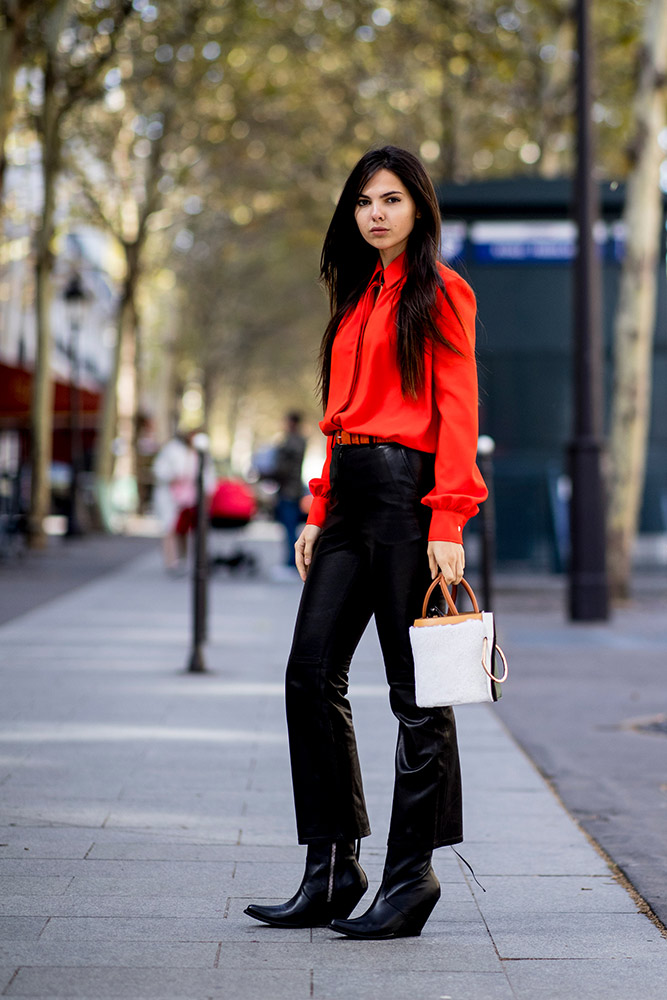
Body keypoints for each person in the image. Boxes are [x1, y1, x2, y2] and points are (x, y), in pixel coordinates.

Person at [244, 146, 487, 940]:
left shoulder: (442, 294)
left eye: (390, 199)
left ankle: (410, 878)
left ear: (417, 208)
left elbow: (456, 409)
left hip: (408, 501)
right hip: (346, 500)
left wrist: (448, 520)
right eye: (362, 202)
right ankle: (331, 866)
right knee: (308, 675)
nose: (375, 213)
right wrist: (317, 506)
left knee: (417, 697)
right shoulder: (353, 298)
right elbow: (340, 413)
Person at [152, 428, 214, 571]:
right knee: (170, 528)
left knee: (186, 530)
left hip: (191, 498)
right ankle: (171, 561)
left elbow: (209, 476)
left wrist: (208, 495)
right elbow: (160, 470)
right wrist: (174, 477)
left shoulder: (201, 454)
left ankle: (185, 560)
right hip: (170, 495)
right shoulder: (172, 449)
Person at [272, 411, 306, 575]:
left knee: (290, 528)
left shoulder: (292, 442)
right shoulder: (298, 441)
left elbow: (283, 468)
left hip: (289, 491)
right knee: (289, 528)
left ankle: (292, 563)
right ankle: (291, 562)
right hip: (292, 490)